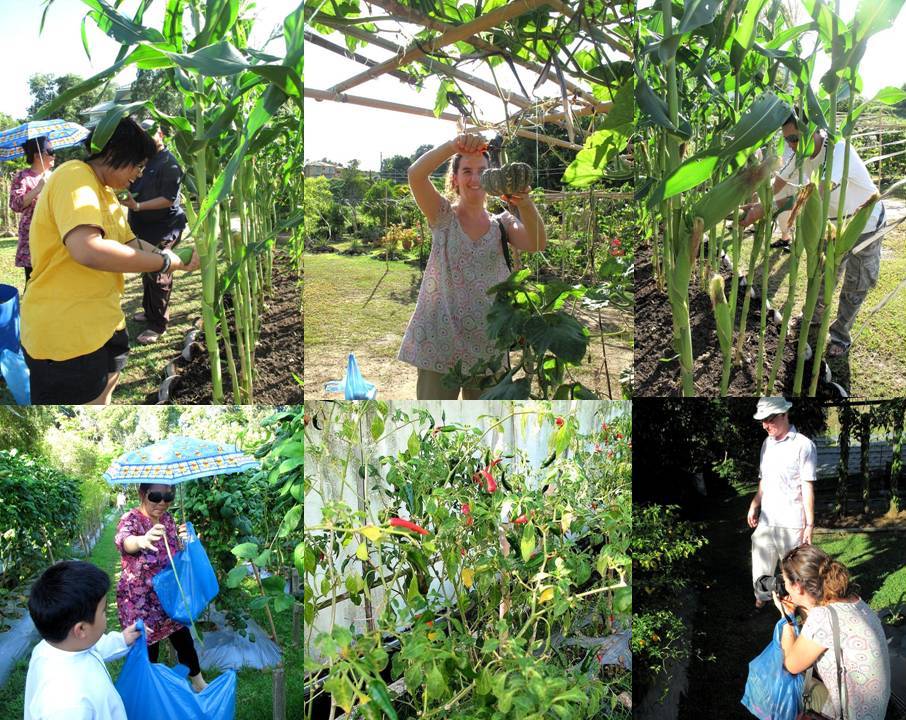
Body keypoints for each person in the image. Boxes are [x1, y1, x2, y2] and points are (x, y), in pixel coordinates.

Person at [20, 117, 200, 405]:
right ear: (117, 152)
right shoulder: (74, 175)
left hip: (105, 323)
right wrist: (163, 263)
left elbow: (130, 243)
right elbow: (88, 249)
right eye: (138, 165)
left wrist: (176, 259)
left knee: (105, 392)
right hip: (66, 333)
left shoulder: (105, 193)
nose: (139, 175)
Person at [398, 133, 548, 399]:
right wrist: (451, 146)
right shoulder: (442, 215)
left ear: (493, 178)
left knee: (486, 428)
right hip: (439, 344)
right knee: (435, 420)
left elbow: (537, 242)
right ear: (454, 178)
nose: (475, 178)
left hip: (488, 348)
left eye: (482, 171)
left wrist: (525, 203)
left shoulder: (502, 224)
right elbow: (415, 175)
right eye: (466, 171)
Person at [741, 113, 886, 358]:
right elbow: (780, 180)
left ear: (814, 131)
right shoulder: (800, 153)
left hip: (865, 225)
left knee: (856, 283)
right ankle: (814, 318)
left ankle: (840, 334)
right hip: (830, 224)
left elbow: (818, 193)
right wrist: (757, 201)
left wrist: (768, 208)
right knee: (821, 276)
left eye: (795, 139)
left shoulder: (839, 149)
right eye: (788, 140)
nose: (791, 145)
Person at [773, 544, 891, 719]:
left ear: (798, 586)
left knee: (782, 682)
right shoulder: (854, 600)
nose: (786, 588)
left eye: (786, 582)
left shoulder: (823, 617)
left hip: (851, 715)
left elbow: (790, 666)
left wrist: (788, 617)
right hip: (874, 711)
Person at [114, 482, 208, 693]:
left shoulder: (167, 519)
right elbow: (124, 540)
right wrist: (141, 540)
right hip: (140, 600)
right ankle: (148, 693)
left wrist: (186, 540)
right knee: (148, 648)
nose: (163, 502)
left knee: (183, 637)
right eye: (155, 496)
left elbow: (173, 551)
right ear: (141, 493)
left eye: (169, 496)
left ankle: (199, 683)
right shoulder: (131, 519)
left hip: (167, 595)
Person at [25, 560, 140, 720]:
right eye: (104, 610)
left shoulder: (56, 646)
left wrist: (123, 639)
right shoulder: (67, 706)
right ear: (81, 629)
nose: (105, 614)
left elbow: (94, 647)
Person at [121, 120, 188, 345]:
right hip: (142, 227)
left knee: (159, 272)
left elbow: (168, 199)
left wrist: (138, 206)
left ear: (160, 134)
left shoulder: (169, 163)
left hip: (165, 227)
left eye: (152, 134)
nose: (148, 140)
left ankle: (158, 324)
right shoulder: (144, 160)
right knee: (146, 269)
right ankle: (150, 312)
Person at [748, 396, 817, 608]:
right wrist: (755, 504)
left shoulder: (804, 445)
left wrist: (809, 525)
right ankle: (762, 596)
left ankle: (798, 606)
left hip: (791, 520)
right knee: (760, 558)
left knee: (793, 569)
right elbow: (764, 479)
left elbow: (807, 486)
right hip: (767, 519)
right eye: (762, 420)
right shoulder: (766, 444)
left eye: (769, 419)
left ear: (785, 414)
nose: (765, 425)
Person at [8, 136, 55, 285]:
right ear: (37, 155)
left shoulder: (54, 177)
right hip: (32, 237)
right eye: (50, 151)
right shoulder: (22, 177)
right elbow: (15, 205)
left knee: (53, 280)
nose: (54, 155)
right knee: (34, 281)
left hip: (53, 235)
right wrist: (38, 188)